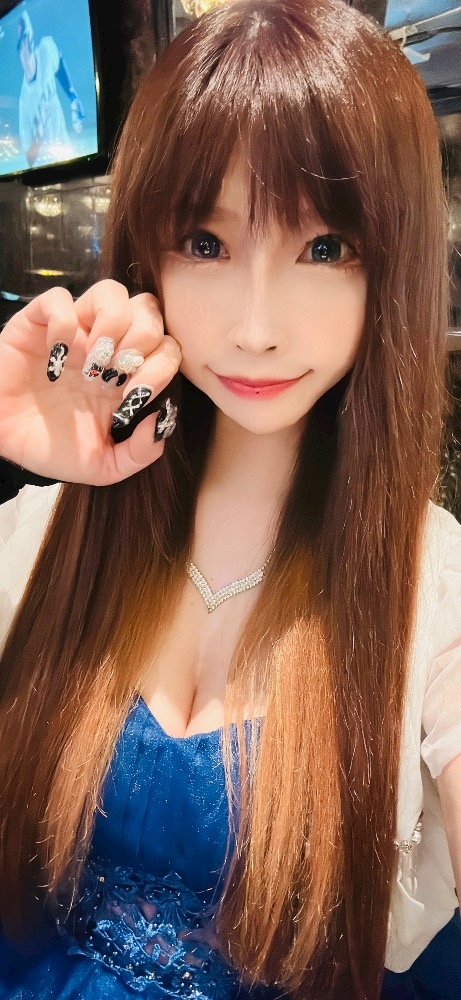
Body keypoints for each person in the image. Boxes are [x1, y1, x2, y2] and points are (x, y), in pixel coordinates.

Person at [0, 0, 460, 997]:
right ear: (145, 253)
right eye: (204, 243)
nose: (254, 328)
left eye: (324, 247)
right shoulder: (43, 533)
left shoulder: (433, 590)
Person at [17, 10, 85, 168]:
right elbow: (29, 159)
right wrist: (39, 131)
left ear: (31, 40)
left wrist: (73, 96)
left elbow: (58, 60)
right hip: (45, 170)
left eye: (26, 41)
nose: (24, 49)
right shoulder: (24, 101)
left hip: (68, 157)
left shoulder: (45, 51)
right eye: (20, 46)